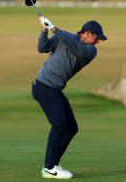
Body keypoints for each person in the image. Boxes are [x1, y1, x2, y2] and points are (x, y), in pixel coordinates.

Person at [32, 17, 107, 179]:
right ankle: (50, 167)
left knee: (71, 128)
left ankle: (53, 164)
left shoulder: (90, 51)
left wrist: (54, 28)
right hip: (44, 86)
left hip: (55, 89)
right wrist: (44, 30)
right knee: (59, 125)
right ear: (87, 33)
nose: (98, 42)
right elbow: (42, 48)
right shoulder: (63, 37)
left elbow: (73, 45)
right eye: (97, 37)